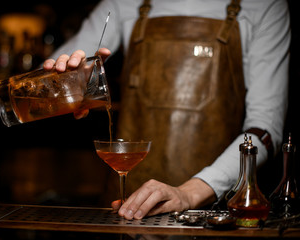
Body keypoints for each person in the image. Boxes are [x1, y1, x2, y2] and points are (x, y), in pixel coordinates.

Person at [43, 0, 290, 220]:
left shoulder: (265, 6)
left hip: (214, 212)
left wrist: (190, 193)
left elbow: (266, 127)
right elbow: (50, 85)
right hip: (125, 207)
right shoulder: (121, 4)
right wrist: (68, 82)